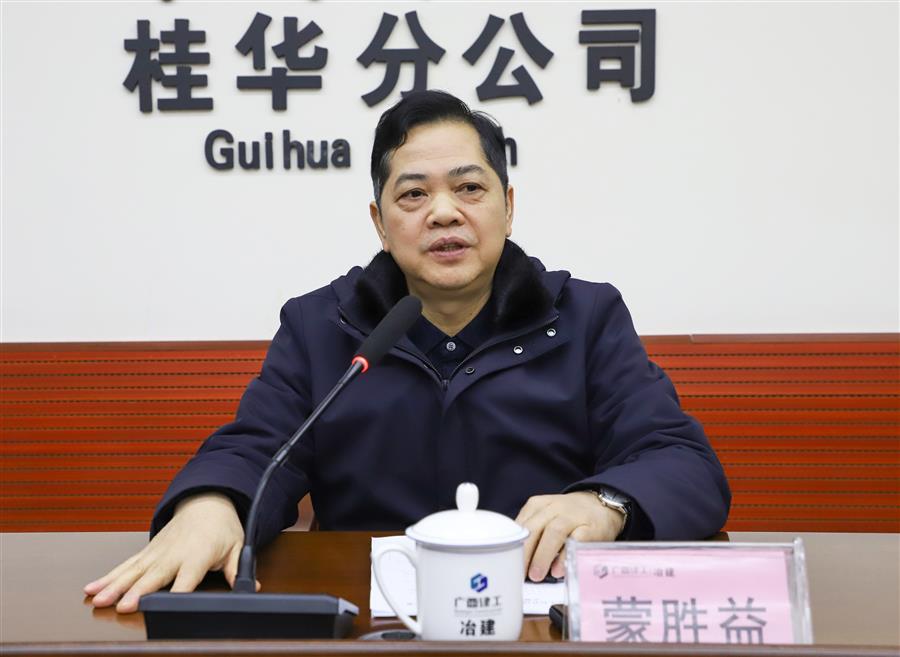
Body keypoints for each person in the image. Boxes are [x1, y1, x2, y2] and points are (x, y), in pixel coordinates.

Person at [85, 90, 730, 613]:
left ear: (508, 207)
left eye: (469, 188)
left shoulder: (586, 318)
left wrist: (605, 504)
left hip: (538, 619)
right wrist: (212, 504)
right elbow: (258, 447)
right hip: (372, 619)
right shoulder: (321, 325)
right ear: (380, 222)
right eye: (414, 194)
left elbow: (681, 460)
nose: (444, 213)